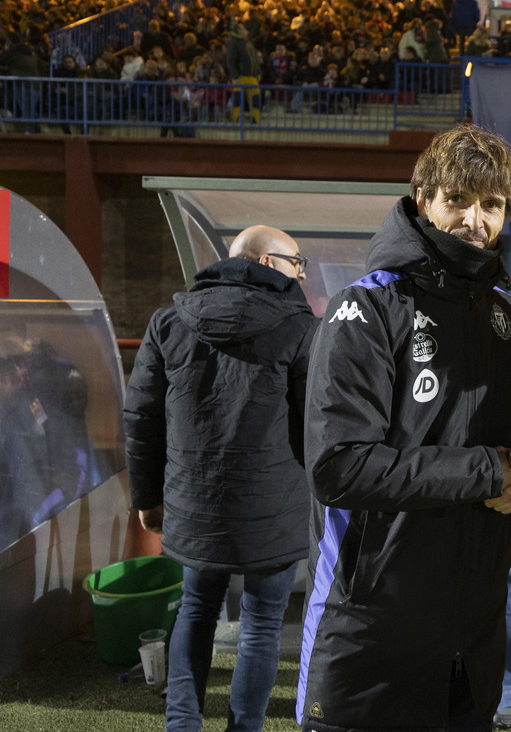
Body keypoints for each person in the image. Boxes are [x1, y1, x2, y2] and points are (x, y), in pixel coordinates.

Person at [298, 125, 511, 732]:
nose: (474, 220)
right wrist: (486, 471)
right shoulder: (368, 308)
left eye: (491, 205)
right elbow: (338, 465)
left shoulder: (505, 316)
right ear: (423, 197)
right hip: (373, 629)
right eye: (458, 199)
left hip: (472, 637)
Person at [124, 225, 317, 732]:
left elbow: (141, 417)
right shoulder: (300, 328)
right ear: (266, 261)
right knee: (259, 628)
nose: (301, 271)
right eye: (296, 261)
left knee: (196, 611)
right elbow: (315, 425)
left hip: (195, 502)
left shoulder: (169, 321)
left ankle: (182, 724)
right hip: (272, 504)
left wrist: (146, 496)